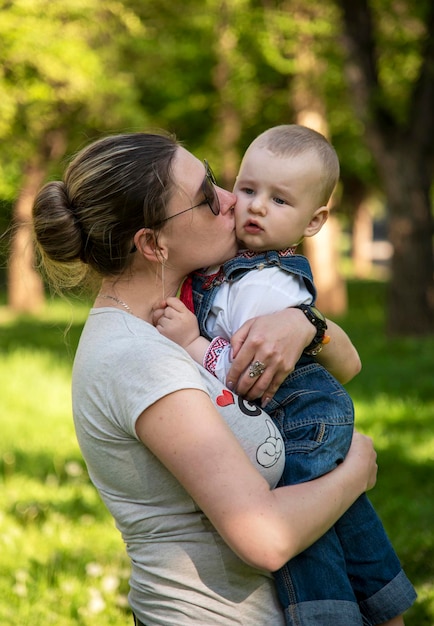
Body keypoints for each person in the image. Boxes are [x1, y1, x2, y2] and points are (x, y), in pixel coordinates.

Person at [32, 130, 380, 626]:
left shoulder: (201, 310)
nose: (230, 200)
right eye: (205, 195)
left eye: (217, 179)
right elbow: (264, 538)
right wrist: (355, 471)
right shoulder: (140, 360)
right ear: (153, 244)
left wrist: (305, 323)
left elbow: (350, 365)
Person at [155, 125, 417, 626]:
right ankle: (387, 605)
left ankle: (324, 614)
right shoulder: (241, 266)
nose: (254, 207)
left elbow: (240, 368)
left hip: (299, 412)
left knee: (300, 518)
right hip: (306, 412)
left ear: (314, 221)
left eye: (279, 200)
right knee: (344, 514)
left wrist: (192, 343)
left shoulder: (268, 288)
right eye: (249, 189)